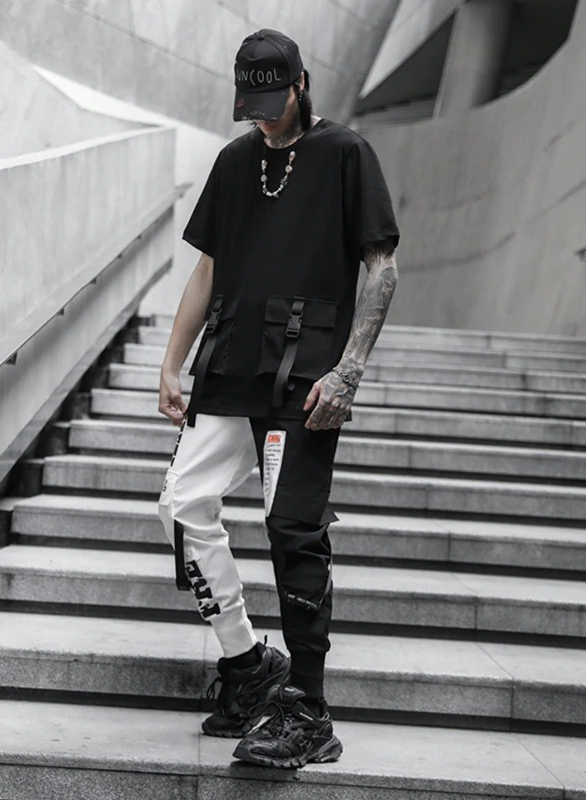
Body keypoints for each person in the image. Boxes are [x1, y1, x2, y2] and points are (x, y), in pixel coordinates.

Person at [157, 28, 399, 769]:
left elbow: (382, 267)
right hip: (229, 363)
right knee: (182, 502)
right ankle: (247, 666)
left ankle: (309, 711)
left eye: (272, 100)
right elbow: (207, 270)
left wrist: (350, 369)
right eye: (250, 104)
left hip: (307, 372)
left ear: (299, 84)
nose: (262, 116)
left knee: (291, 525)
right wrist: (173, 363)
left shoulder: (346, 153)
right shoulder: (234, 163)